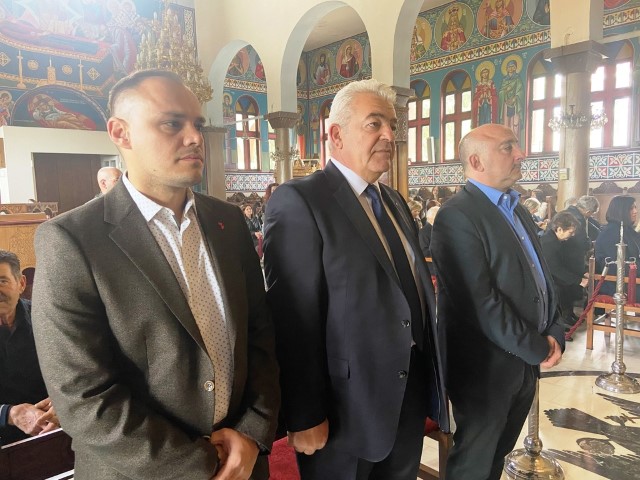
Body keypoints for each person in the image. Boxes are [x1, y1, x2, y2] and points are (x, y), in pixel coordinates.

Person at [31, 69, 280, 480]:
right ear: (120, 133)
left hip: (243, 462)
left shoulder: (228, 222)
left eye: (197, 123)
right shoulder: (72, 240)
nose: (195, 137)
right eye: (172, 124)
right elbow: (82, 395)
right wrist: (202, 464)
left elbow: (260, 336)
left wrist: (252, 433)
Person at [263, 79, 448, 480]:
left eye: (393, 126)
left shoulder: (393, 201)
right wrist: (304, 414)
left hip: (407, 394)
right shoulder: (301, 201)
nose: (390, 136)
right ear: (336, 135)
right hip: (344, 408)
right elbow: (293, 319)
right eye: (374, 123)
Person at [430, 123, 564, 480]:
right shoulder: (457, 215)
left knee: (497, 458)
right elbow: (481, 303)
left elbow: (541, 276)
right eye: (508, 147)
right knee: (474, 464)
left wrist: (555, 330)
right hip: (485, 370)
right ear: (476, 161)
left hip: (523, 362)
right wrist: (537, 347)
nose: (521, 154)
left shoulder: (516, 208)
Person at [0, 250, 59, 446]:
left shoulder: (49, 318)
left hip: (55, 427)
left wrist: (63, 402)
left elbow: (78, 369)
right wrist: (9, 414)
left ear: (21, 283)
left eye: (2, 281)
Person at [541, 212, 587, 329]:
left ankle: (566, 316)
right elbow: (554, 268)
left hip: (555, 279)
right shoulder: (548, 243)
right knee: (561, 291)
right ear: (560, 229)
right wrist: (578, 280)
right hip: (548, 281)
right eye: (570, 232)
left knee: (567, 288)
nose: (573, 235)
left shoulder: (556, 240)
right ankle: (560, 324)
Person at [595, 195, 640, 300]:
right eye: (631, 208)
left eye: (635, 207)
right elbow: (617, 267)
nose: (635, 211)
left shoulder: (627, 230)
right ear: (621, 211)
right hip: (616, 284)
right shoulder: (610, 233)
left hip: (631, 278)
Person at [498, 59, 524, 141]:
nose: (511, 68)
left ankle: (514, 139)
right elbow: (501, 92)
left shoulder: (517, 79)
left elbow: (520, 91)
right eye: (509, 67)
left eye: (513, 66)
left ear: (515, 68)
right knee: (506, 123)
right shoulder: (504, 80)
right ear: (506, 68)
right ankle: (506, 140)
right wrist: (505, 91)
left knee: (514, 122)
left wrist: (515, 98)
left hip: (515, 104)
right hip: (506, 104)